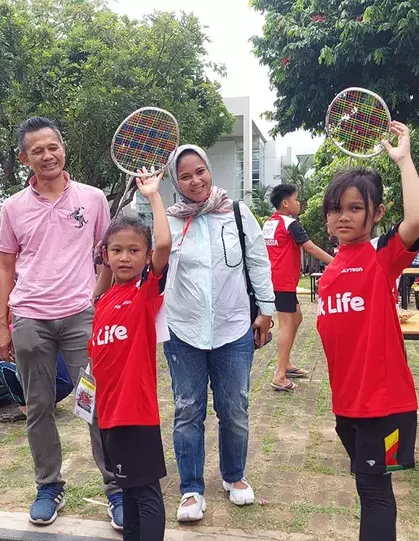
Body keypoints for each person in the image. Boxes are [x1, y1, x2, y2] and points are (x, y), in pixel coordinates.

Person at [0, 116, 121, 528]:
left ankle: (116, 488)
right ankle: (49, 485)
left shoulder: (93, 198)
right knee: (38, 407)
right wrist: (2, 326)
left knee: (97, 404)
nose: (47, 156)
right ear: (24, 158)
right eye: (37, 151)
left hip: (82, 316)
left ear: (63, 148)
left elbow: (109, 254)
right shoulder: (13, 208)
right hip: (31, 318)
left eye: (53, 147)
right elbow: (5, 269)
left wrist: (98, 299)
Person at [316, 122, 419, 541]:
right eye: (335, 208)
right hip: (348, 406)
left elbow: (417, 217)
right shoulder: (330, 273)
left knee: (374, 492)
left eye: (355, 208)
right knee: (369, 490)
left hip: (384, 407)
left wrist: (403, 159)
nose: (343, 216)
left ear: (376, 213)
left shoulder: (380, 258)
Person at [162, 145, 274, 522]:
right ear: (175, 183)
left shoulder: (238, 213)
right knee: (187, 410)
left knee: (235, 408)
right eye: (185, 176)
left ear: (210, 171)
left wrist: (267, 312)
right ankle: (191, 489)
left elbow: (258, 262)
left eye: (200, 172)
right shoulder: (170, 220)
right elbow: (156, 264)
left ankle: (233, 476)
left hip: (234, 328)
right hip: (183, 331)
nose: (195, 181)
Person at [89, 168, 171, 540]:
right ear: (106, 255)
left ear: (146, 255)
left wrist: (153, 195)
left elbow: (165, 245)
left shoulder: (144, 295)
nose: (125, 258)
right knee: (128, 494)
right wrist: (102, 262)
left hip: (136, 414)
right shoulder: (104, 300)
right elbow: (95, 294)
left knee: (147, 494)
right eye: (116, 251)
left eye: (134, 251)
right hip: (107, 416)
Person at [264, 183, 334, 392]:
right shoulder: (290, 224)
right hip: (282, 282)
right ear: (285, 203)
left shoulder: (268, 223)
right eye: (296, 199)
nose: (299, 202)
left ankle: (286, 364)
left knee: (297, 318)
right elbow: (310, 247)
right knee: (287, 324)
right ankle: (279, 375)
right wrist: (337, 262)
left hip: (272, 280)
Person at [0, 328, 75, 423]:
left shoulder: (12, 330)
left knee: (1, 365)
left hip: (53, 386)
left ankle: (25, 407)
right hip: (68, 382)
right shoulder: (44, 322)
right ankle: (46, 402)